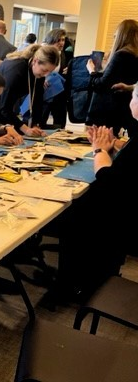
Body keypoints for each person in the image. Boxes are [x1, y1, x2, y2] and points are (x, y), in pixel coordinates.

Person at [55, 85, 138, 300]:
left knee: (74, 212)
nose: (130, 100)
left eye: (134, 96)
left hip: (123, 219)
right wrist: (110, 146)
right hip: (126, 210)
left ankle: (75, 286)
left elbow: (110, 181)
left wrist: (99, 151)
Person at [86, 19, 138, 138]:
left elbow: (100, 85)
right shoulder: (135, 56)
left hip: (110, 111)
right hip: (129, 109)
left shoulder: (121, 55)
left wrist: (92, 70)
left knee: (104, 145)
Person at [0, 44, 59, 136]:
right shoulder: (16, 70)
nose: (46, 75)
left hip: (5, 108)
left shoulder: (39, 73)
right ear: (35, 61)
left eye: (50, 72)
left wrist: (35, 125)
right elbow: (4, 107)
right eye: (44, 70)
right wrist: (24, 128)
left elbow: (37, 99)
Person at [38, 28, 68, 129]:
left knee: (60, 119)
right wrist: (42, 78)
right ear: (52, 39)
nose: (61, 43)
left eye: (63, 40)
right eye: (58, 40)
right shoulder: (41, 51)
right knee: (41, 118)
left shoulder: (61, 54)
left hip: (57, 89)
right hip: (44, 89)